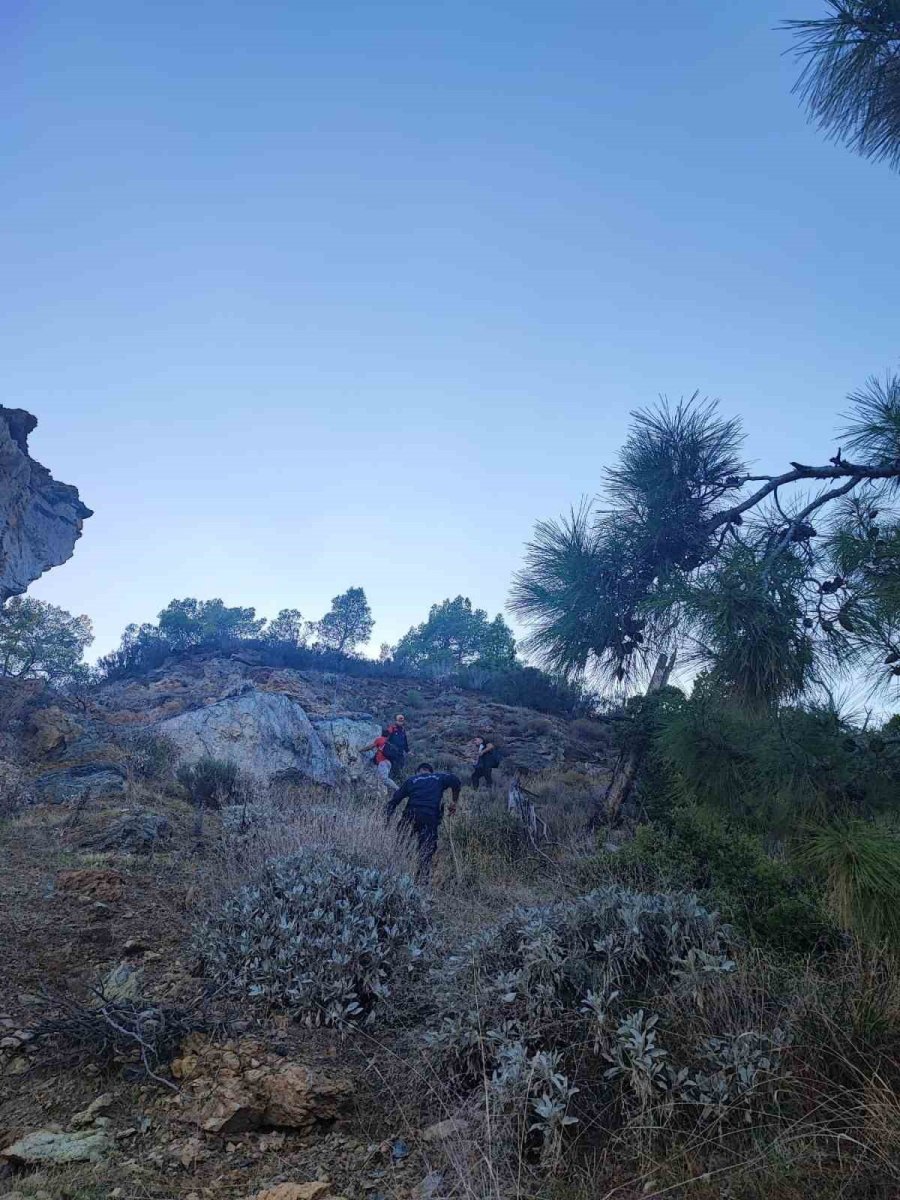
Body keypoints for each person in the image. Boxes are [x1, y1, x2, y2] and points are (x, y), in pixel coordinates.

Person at [385, 761, 461, 879]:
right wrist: (454, 803)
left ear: (417, 772)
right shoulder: (439, 777)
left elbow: (394, 801)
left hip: (409, 815)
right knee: (426, 851)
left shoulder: (411, 780)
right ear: (431, 771)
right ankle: (422, 882)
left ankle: (394, 875)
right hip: (429, 817)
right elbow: (456, 781)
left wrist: (387, 820)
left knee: (401, 845)